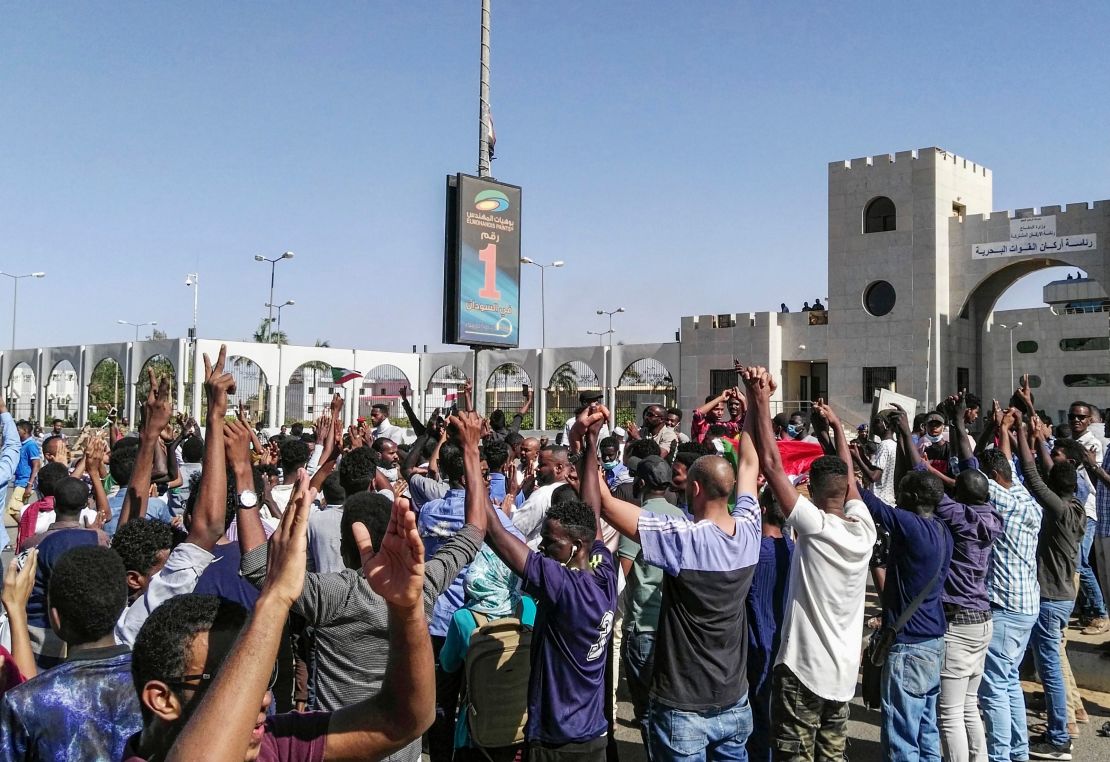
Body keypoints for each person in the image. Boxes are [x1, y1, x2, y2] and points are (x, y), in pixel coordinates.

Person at [122, 470, 435, 762]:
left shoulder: (274, 744)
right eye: (224, 679)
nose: (262, 699)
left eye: (263, 677)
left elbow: (402, 720)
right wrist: (276, 597)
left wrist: (406, 611)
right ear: (162, 699)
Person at [602, 365, 764, 762]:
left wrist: (587, 441)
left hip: (682, 707)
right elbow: (749, 464)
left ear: (692, 488)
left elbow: (605, 505)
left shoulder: (683, 541)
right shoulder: (749, 530)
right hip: (734, 701)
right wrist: (757, 400)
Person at [482, 405, 616, 762]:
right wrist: (590, 442)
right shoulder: (604, 570)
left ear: (574, 546)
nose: (541, 547)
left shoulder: (561, 585)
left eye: (549, 542)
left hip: (556, 741)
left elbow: (495, 532)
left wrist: (469, 452)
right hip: (593, 736)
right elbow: (592, 511)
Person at [752, 388, 876, 762]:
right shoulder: (864, 528)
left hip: (802, 671)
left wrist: (759, 401)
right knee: (832, 757)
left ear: (813, 490)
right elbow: (850, 479)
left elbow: (773, 469)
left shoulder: (815, 526)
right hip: (841, 679)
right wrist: (837, 426)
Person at [114, 349, 235, 648]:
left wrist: (150, 435)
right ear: (134, 580)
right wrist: (215, 416)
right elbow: (207, 527)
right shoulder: (145, 620)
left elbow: (128, 529)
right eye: (164, 567)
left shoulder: (114, 614)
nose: (171, 570)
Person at [860, 407, 954, 762]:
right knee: (926, 728)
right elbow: (918, 476)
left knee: (901, 735)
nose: (897, 495)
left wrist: (837, 440)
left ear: (912, 499)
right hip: (934, 640)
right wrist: (903, 435)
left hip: (910, 646)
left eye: (902, 492)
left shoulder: (910, 526)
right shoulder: (942, 528)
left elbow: (862, 497)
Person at [0, 545, 141, 759]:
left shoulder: (24, 702)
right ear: (122, 605)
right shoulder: (154, 680)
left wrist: (17, 610)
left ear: (55, 618)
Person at [1011, 412, 1085, 759]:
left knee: (1050, 668)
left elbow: (1031, 472)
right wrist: (1037, 436)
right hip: (1063, 596)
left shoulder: (1056, 509)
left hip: (1051, 596)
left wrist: (1022, 434)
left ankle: (1059, 738)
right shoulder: (1075, 505)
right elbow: (1045, 469)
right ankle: (1063, 726)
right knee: (1050, 664)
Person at [603, 455, 685, 751]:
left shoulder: (637, 518)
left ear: (640, 483)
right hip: (676, 629)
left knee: (648, 713)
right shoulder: (683, 517)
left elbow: (624, 572)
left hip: (644, 627)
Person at [976, 442, 1044, 762]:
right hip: (1028, 604)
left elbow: (971, 480)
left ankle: (1000, 756)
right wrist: (1003, 432)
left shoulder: (1001, 499)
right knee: (1009, 681)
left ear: (991, 476)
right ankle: (1019, 751)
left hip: (1006, 607)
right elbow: (1009, 471)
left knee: (993, 691)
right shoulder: (1024, 497)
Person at [25, 476, 112, 668]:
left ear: (54, 503)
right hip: (88, 638)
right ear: (85, 505)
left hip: (40, 637)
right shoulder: (99, 540)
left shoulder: (32, 544)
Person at [743, 489, 794, 762]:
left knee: (757, 718)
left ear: (761, 511)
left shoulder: (753, 553)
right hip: (784, 646)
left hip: (755, 646)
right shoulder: (794, 550)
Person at [1066, 401, 1108, 635]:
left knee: (1080, 562)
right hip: (1071, 510)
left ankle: (1099, 613)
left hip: (1087, 511)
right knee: (1076, 561)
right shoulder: (1069, 443)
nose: (1076, 421)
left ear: (1090, 420)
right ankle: (1088, 610)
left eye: (1081, 417)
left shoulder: (1090, 444)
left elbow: (1094, 482)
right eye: (1073, 416)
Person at [510, 445, 571, 549]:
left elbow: (514, 530)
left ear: (559, 468)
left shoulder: (543, 494)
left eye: (542, 465)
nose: (537, 468)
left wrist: (510, 498)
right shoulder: (573, 490)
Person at [307, 472, 348, 573]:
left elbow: (308, 561)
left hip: (322, 584)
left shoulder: (312, 520)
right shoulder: (358, 517)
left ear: (324, 496)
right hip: (355, 584)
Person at [7, 420, 42, 526]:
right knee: (21, 510)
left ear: (25, 431)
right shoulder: (21, 444)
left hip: (25, 482)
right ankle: (23, 538)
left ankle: (29, 528)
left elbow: (36, 464)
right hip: (19, 480)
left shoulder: (31, 445)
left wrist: (30, 484)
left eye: (18, 430)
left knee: (13, 509)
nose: (16, 432)